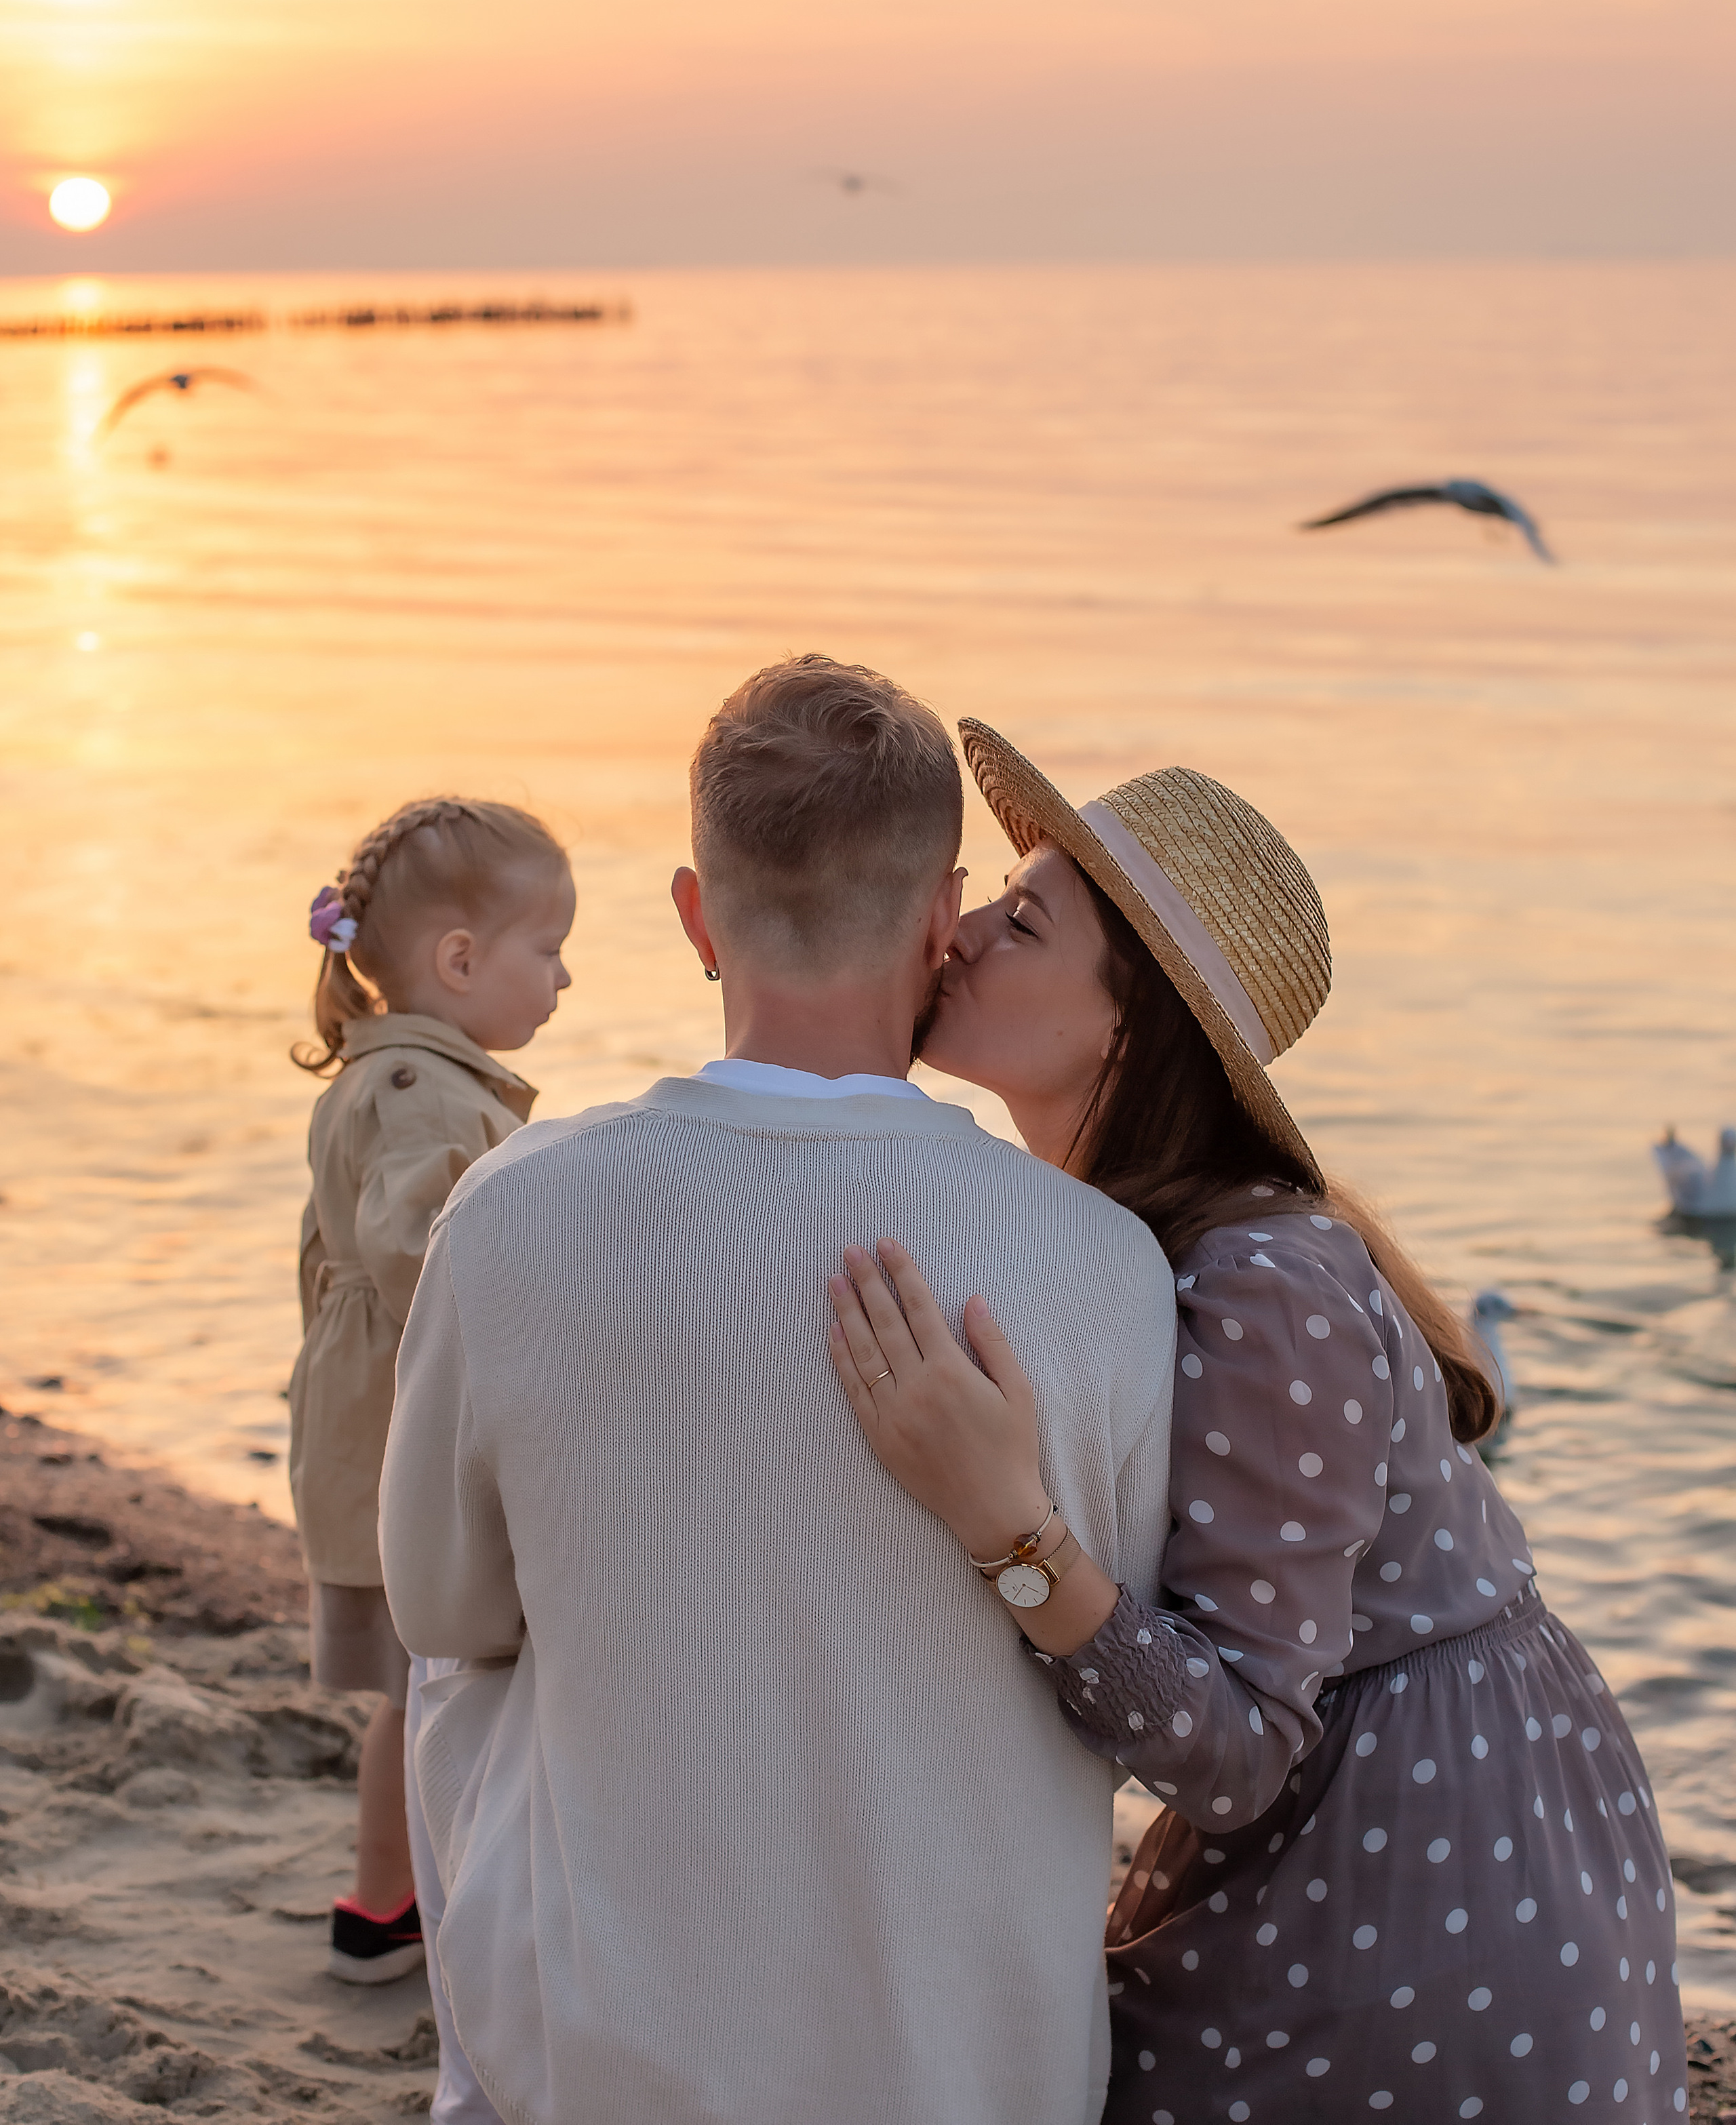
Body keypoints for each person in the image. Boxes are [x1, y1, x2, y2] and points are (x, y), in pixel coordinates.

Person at [829, 719, 1688, 2124]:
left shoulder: (1255, 1284)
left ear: (1125, 1021)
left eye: (1021, 919)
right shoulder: (1134, 1241)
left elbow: (1232, 1751)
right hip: (1406, 1813)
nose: (966, 928)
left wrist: (1005, 1526)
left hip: (1427, 1866)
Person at [379, 656, 1177, 2125]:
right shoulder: (1107, 1264)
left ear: (696, 916)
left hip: (623, 2057)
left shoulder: (510, 1209)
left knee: (465, 1664)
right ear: (942, 918)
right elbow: (1108, 1651)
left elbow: (439, 1614)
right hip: (972, 2070)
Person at [288, 795, 573, 2018]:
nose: (565, 978)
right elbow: (424, 1253)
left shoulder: (400, 1072)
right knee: (438, 1695)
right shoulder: (416, 1086)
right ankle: (408, 1905)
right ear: (460, 962)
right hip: (399, 1437)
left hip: (370, 1426)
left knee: (417, 1699)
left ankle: (379, 1907)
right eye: (548, 950)